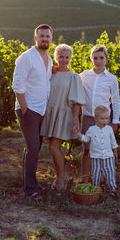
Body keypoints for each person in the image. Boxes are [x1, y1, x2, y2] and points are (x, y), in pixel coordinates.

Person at [12, 24, 53, 198]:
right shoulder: (26, 57)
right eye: (41, 36)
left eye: (48, 36)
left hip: (41, 110)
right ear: (35, 38)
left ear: (51, 39)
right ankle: (29, 189)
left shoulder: (49, 58)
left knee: (34, 148)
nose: (45, 39)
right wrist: (25, 109)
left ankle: (31, 183)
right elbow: (16, 85)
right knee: (34, 147)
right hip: (28, 109)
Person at [40, 44, 85, 191]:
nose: (64, 60)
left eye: (67, 57)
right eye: (61, 56)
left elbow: (77, 101)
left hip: (63, 114)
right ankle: (61, 175)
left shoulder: (74, 77)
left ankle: (61, 178)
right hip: (50, 113)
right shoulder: (51, 73)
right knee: (53, 146)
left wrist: (75, 119)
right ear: (56, 57)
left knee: (54, 147)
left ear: (71, 58)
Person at [79, 44, 120, 183]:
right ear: (91, 59)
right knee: (87, 150)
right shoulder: (84, 75)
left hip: (103, 120)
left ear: (106, 59)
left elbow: (116, 101)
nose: (98, 61)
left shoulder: (111, 79)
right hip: (88, 118)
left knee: (103, 152)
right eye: (95, 58)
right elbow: (71, 79)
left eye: (101, 58)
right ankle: (85, 180)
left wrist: (115, 121)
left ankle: (101, 181)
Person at [76, 105, 118, 197]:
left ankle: (113, 189)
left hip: (108, 156)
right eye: (102, 119)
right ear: (95, 118)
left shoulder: (109, 129)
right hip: (95, 157)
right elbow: (86, 139)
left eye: (107, 118)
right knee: (96, 173)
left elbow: (113, 141)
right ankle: (96, 189)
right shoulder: (91, 130)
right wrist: (79, 134)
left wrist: (115, 151)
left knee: (110, 172)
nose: (105, 121)